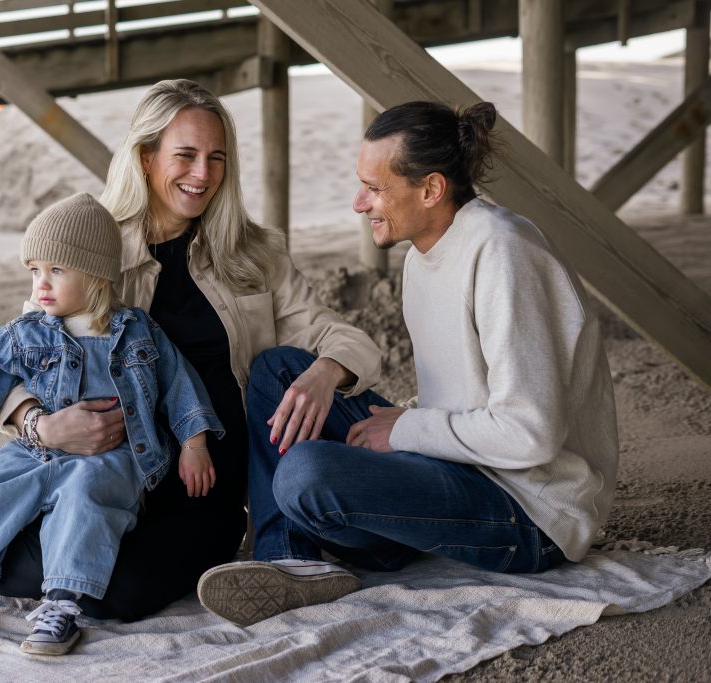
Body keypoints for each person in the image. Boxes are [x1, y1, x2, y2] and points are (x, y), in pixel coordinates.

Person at [0, 79, 382, 622]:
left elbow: (343, 335)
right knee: (50, 538)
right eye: (185, 155)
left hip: (208, 485)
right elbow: (15, 355)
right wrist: (42, 427)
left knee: (119, 595)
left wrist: (326, 371)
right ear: (146, 157)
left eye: (216, 157)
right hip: (100, 471)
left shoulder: (256, 255)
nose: (203, 174)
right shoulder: (92, 247)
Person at [196, 100, 619, 627]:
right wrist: (389, 417)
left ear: (431, 189)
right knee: (278, 372)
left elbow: (530, 434)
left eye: (375, 188)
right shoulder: (422, 258)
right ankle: (288, 560)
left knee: (305, 473)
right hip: (459, 473)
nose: (359, 203)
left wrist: (404, 428)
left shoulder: (504, 252)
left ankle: (333, 542)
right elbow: (462, 398)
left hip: (528, 514)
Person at [0, 192, 222, 655]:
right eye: (35, 270)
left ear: (96, 274)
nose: (41, 284)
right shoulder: (27, 330)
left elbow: (179, 385)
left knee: (84, 499)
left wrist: (195, 445)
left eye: (57, 270)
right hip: (34, 449)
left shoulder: (136, 330)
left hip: (112, 457)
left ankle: (61, 604)